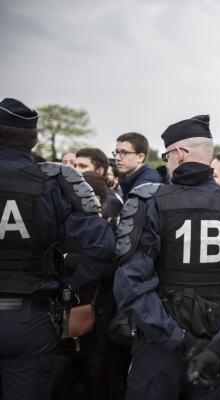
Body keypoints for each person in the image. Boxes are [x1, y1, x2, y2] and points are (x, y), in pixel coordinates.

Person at [113, 114, 220, 400]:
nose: (166, 163)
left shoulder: (150, 202)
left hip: (158, 351)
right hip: (217, 354)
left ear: (178, 153)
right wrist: (218, 348)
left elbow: (131, 286)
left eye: (166, 156)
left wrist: (181, 342)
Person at [0, 98, 115, 400]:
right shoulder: (53, 182)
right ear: (36, 139)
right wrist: (71, 290)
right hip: (30, 318)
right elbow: (102, 246)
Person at [52, 171, 123, 400]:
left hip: (85, 315)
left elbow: (111, 266)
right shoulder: (107, 230)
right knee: (94, 384)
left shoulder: (104, 230)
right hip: (89, 315)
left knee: (73, 382)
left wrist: (68, 259)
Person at [74, 147, 123, 229]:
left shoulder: (111, 201)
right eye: (75, 166)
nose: (75, 170)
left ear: (100, 171)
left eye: (82, 166)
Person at [112, 132, 167, 200]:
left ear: (140, 157)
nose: (117, 158)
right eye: (117, 152)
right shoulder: (135, 181)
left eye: (124, 152)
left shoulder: (146, 184)